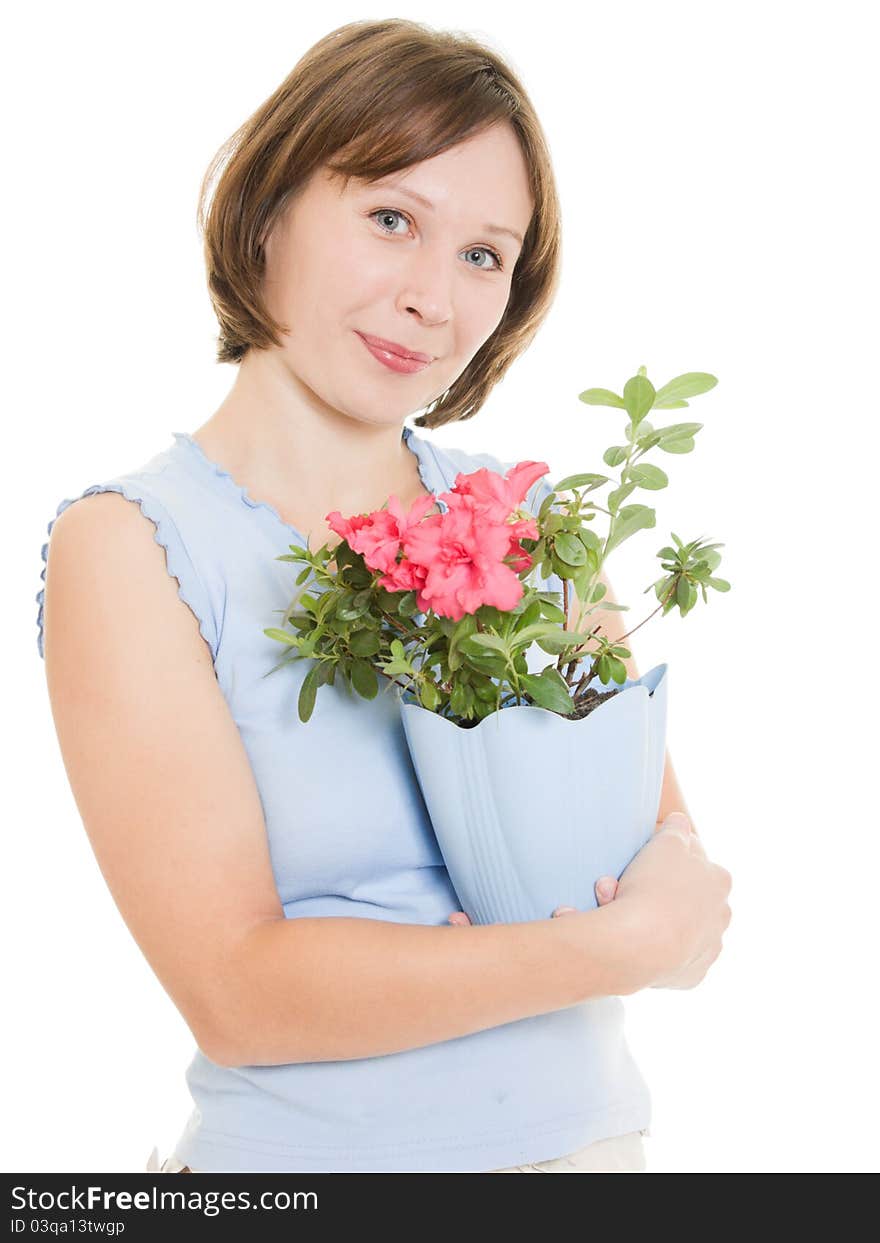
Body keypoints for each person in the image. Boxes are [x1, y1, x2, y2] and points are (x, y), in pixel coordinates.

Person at [36, 18, 732, 1174]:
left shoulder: (527, 523)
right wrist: (609, 947)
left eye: (482, 255)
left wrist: (653, 921)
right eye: (390, 218)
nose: (430, 297)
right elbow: (238, 995)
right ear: (267, 215)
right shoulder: (135, 547)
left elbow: (678, 891)